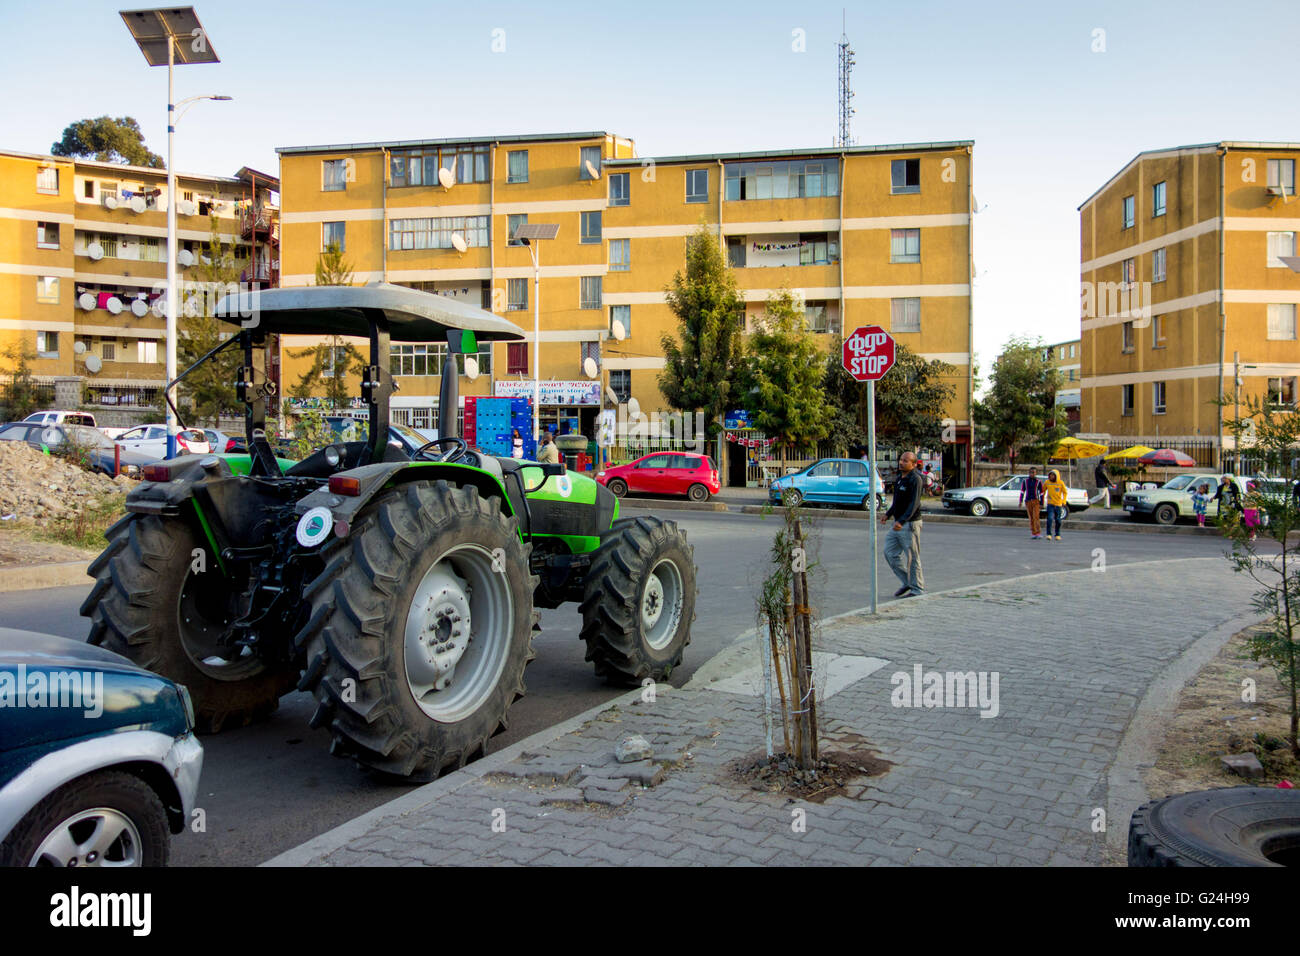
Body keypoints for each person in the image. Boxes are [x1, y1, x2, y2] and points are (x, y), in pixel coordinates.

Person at [881, 451, 924, 598]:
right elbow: (897, 502)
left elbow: (914, 504)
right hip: (897, 523)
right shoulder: (900, 478)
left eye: (906, 461)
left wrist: (902, 521)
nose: (901, 462)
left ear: (913, 464)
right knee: (889, 553)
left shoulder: (915, 479)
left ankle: (917, 589)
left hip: (909, 524)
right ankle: (907, 582)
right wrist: (888, 514)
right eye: (901, 460)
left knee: (912, 558)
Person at [1043, 469, 1068, 540]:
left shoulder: (1060, 483)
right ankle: (1048, 534)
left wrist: (1064, 501)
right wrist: (1042, 498)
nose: (1051, 476)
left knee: (1058, 520)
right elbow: (1043, 490)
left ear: (1056, 476)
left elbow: (1065, 492)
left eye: (1053, 475)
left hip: (1058, 505)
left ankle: (1057, 534)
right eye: (1050, 475)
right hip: (1050, 504)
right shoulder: (1047, 482)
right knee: (1050, 519)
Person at [1020, 467, 1045, 538]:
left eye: (1034, 472)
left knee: (1036, 517)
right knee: (1031, 518)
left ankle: (1038, 532)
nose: (1032, 474)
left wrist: (1041, 503)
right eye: (1031, 472)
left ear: (1036, 473)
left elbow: (1041, 493)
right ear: (1029, 473)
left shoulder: (1038, 481)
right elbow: (1022, 491)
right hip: (1028, 501)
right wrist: (1020, 500)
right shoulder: (1025, 481)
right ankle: (1033, 533)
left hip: (1036, 501)